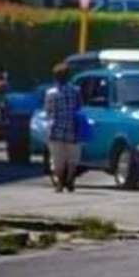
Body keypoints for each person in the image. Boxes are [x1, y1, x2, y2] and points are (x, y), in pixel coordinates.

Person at [43, 63, 83, 193]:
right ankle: (70, 179)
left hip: (55, 129)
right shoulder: (76, 91)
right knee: (72, 158)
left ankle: (60, 182)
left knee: (57, 159)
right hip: (73, 128)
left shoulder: (50, 93)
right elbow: (79, 107)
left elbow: (48, 111)